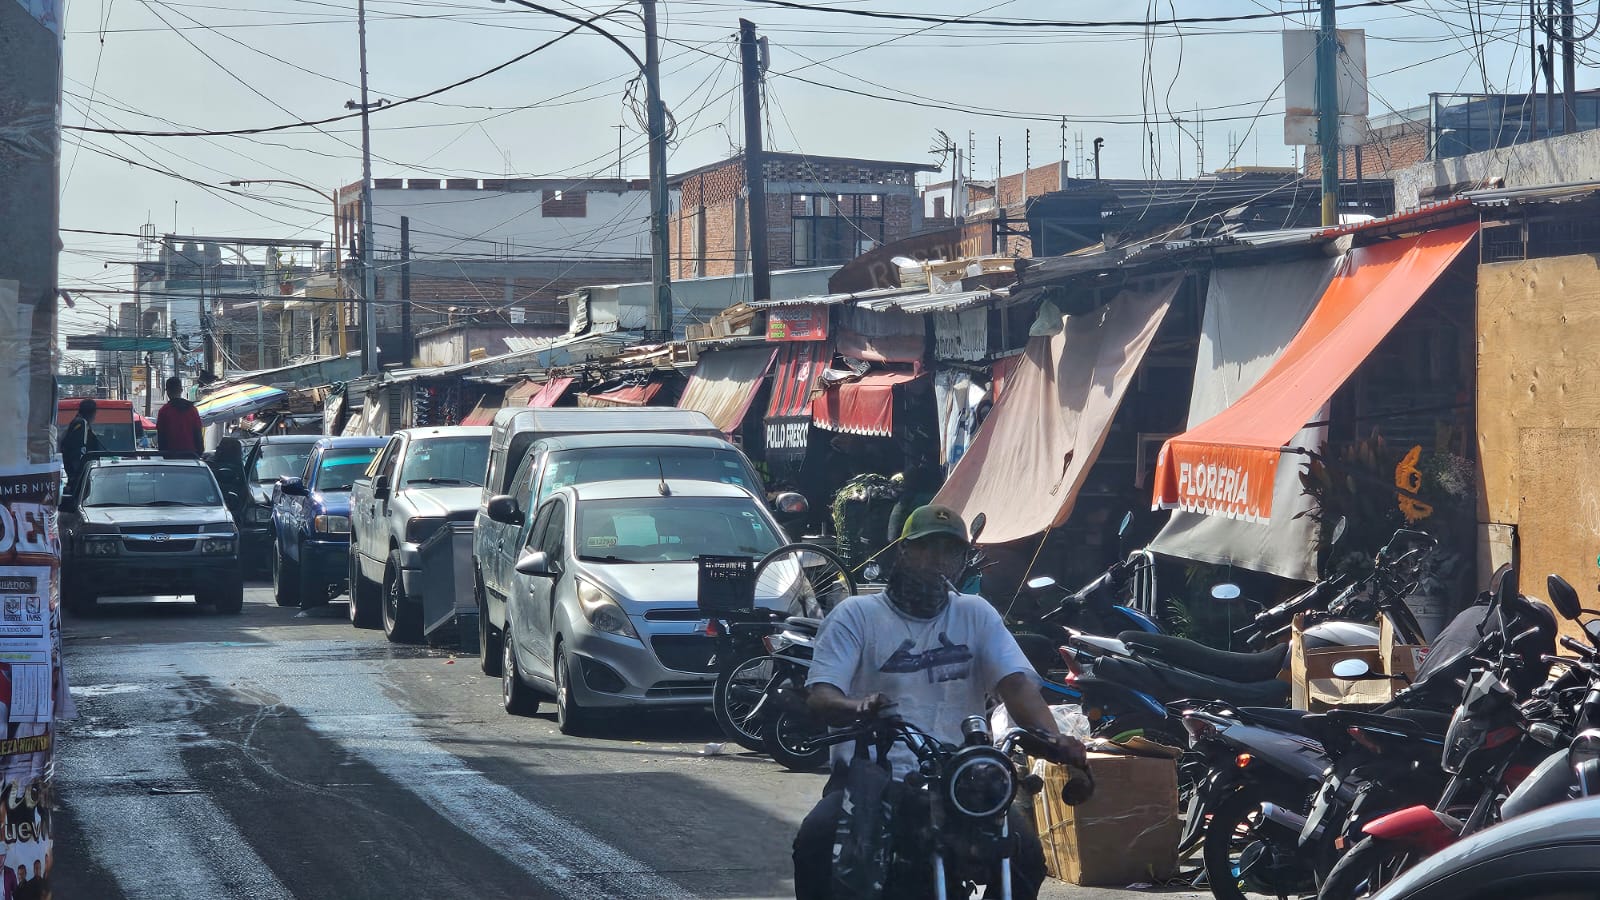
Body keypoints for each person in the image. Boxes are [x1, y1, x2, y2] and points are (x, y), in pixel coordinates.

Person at [793, 505, 1087, 900]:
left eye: (950, 551)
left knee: (1025, 856)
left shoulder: (976, 614)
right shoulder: (857, 615)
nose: (939, 560)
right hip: (873, 776)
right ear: (903, 551)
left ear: (963, 561)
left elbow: (1016, 685)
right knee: (816, 838)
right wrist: (858, 707)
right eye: (927, 547)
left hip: (960, 780)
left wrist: (1052, 740)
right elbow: (822, 693)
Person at [57, 399, 102, 494]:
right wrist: (79, 474)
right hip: (79, 476)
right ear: (92, 413)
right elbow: (79, 450)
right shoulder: (81, 424)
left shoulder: (77, 423)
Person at [155, 376, 203, 459]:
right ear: (181, 390)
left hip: (171, 457)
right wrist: (199, 453)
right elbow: (198, 433)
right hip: (192, 456)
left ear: (167, 392)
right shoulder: (192, 410)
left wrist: (164, 454)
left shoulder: (164, 411)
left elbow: (161, 437)